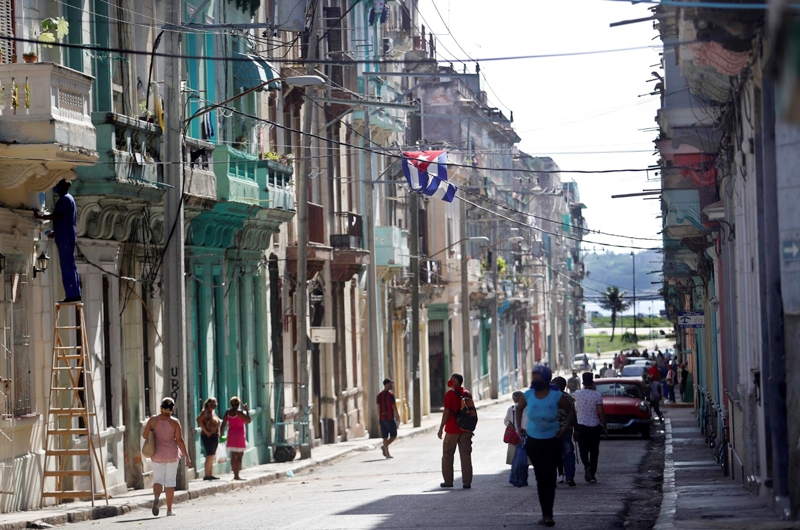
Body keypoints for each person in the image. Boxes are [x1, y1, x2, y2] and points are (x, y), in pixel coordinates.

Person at [515, 365, 575, 527]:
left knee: (549, 478)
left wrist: (564, 428)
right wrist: (519, 426)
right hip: (534, 442)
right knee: (541, 478)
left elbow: (570, 411)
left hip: (553, 441)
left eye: (538, 377)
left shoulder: (556, 395)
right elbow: (518, 409)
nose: (535, 380)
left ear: (546, 379)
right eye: (533, 377)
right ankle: (546, 514)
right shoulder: (528, 395)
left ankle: (549, 514)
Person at [142, 397, 191, 517]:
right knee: (170, 482)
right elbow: (179, 440)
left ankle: (157, 497)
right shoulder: (175, 422)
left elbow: (144, 436)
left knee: (158, 480)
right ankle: (169, 510)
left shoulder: (153, 419)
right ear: (172, 409)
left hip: (157, 455)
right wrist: (187, 456)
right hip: (172, 455)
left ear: (161, 407)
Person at [34, 180, 81, 303]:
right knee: (70, 264)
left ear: (66, 186)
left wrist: (41, 217)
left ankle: (72, 295)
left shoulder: (65, 199)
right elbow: (64, 219)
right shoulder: (67, 199)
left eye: (59, 185)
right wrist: (56, 232)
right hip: (65, 233)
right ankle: (75, 294)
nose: (57, 187)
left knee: (66, 265)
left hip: (66, 235)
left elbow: (59, 215)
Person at [438, 373, 473, 489]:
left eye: (451, 379)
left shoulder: (450, 394)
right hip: (466, 429)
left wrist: (441, 427)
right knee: (465, 456)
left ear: (456, 381)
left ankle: (448, 481)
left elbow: (447, 411)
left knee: (447, 455)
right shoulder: (467, 393)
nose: (449, 380)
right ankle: (467, 483)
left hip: (452, 429)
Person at [574, 372, 607, 484]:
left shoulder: (577, 394)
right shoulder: (597, 395)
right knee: (594, 450)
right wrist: (604, 426)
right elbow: (601, 413)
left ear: (582, 382)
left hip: (581, 425)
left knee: (582, 449)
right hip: (594, 426)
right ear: (592, 382)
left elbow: (575, 410)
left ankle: (586, 465)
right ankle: (592, 474)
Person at [552, 377, 577, 487]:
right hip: (566, 429)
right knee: (568, 453)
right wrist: (576, 429)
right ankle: (569, 477)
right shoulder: (569, 397)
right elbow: (573, 415)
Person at [220, 396, 251, 480]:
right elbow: (248, 420)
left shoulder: (227, 412)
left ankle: (234, 474)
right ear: (238, 404)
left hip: (231, 435)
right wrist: (247, 410)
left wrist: (220, 435)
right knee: (240, 456)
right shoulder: (239, 413)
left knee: (233, 456)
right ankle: (237, 475)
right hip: (240, 436)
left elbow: (223, 425)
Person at [196, 397, 221, 480]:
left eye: (215, 403)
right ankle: (207, 474)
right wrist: (206, 431)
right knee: (209, 454)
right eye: (212, 403)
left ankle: (210, 474)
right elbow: (199, 419)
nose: (214, 405)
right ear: (208, 404)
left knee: (212, 455)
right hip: (208, 436)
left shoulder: (213, 412)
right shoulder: (205, 412)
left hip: (214, 435)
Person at [504, 391, 529, 466]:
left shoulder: (529, 409)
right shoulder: (511, 410)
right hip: (515, 437)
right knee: (515, 460)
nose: (518, 403)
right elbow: (506, 420)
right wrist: (509, 424)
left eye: (519, 400)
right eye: (516, 401)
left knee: (526, 460)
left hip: (528, 435)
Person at [376, 378, 400, 458]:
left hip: (382, 417)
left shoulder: (379, 396)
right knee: (393, 435)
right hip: (389, 417)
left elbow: (378, 408)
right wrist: (397, 416)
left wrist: (379, 418)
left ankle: (387, 453)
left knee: (385, 436)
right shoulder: (390, 395)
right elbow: (394, 407)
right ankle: (385, 446)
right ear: (386, 385)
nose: (391, 385)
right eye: (390, 384)